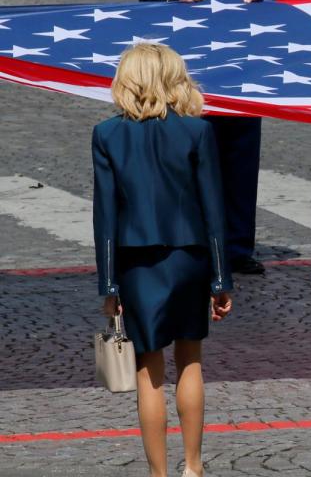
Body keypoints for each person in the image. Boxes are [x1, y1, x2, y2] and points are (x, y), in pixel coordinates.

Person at [94, 44, 234, 477]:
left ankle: (159, 474)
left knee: (147, 368)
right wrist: (220, 277)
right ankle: (193, 466)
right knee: (190, 360)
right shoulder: (197, 132)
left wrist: (108, 285)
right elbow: (214, 209)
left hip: (137, 262)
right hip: (190, 256)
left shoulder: (107, 134)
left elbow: (106, 216)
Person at [140, 0, 282, 275]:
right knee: (187, 157)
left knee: (240, 157)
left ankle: (236, 247)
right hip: (188, 73)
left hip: (240, 72)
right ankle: (188, 241)